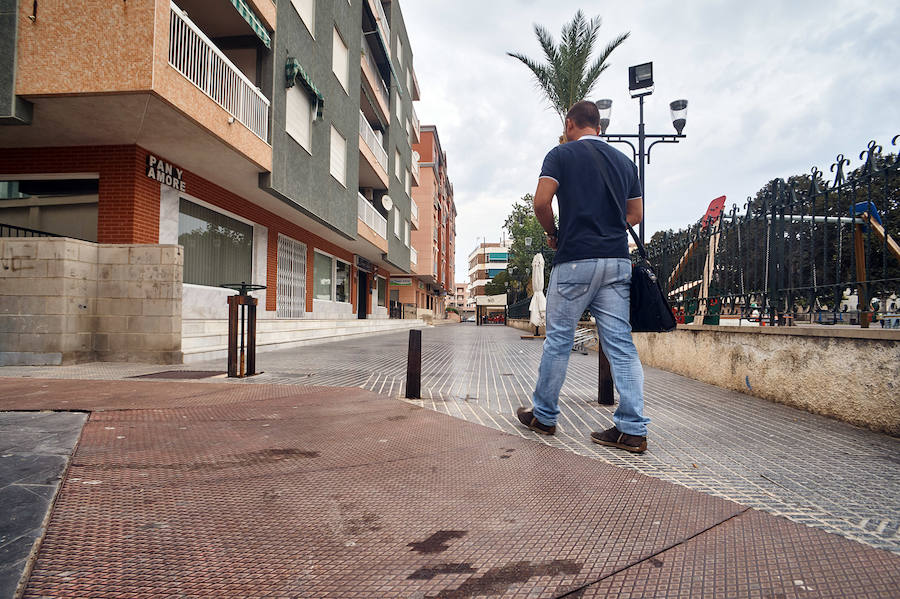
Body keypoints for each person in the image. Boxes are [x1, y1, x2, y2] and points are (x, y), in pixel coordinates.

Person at [515, 100, 649, 453]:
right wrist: (606, 224)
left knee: (559, 340)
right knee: (620, 344)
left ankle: (544, 416)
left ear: (570, 123)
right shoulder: (624, 162)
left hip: (575, 260)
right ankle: (632, 429)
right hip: (617, 262)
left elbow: (542, 203)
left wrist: (553, 231)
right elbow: (634, 213)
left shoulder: (561, 155)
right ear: (600, 126)